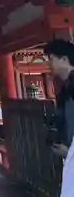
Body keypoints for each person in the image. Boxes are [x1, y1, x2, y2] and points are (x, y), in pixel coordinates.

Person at [44, 39, 74, 197]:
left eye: (51, 58)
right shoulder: (66, 87)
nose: (48, 63)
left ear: (64, 59)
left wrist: (70, 151)